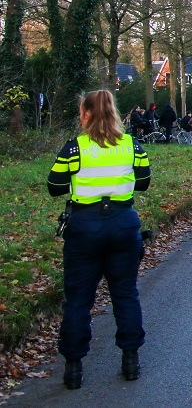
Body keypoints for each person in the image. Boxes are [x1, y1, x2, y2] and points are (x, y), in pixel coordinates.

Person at [46, 90, 150, 389]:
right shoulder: (132, 145)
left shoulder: (74, 148)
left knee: (78, 299)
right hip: (122, 225)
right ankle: (131, 361)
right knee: (125, 294)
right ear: (114, 112)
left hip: (85, 228)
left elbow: (54, 186)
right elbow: (143, 183)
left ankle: (74, 368)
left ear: (86, 114)